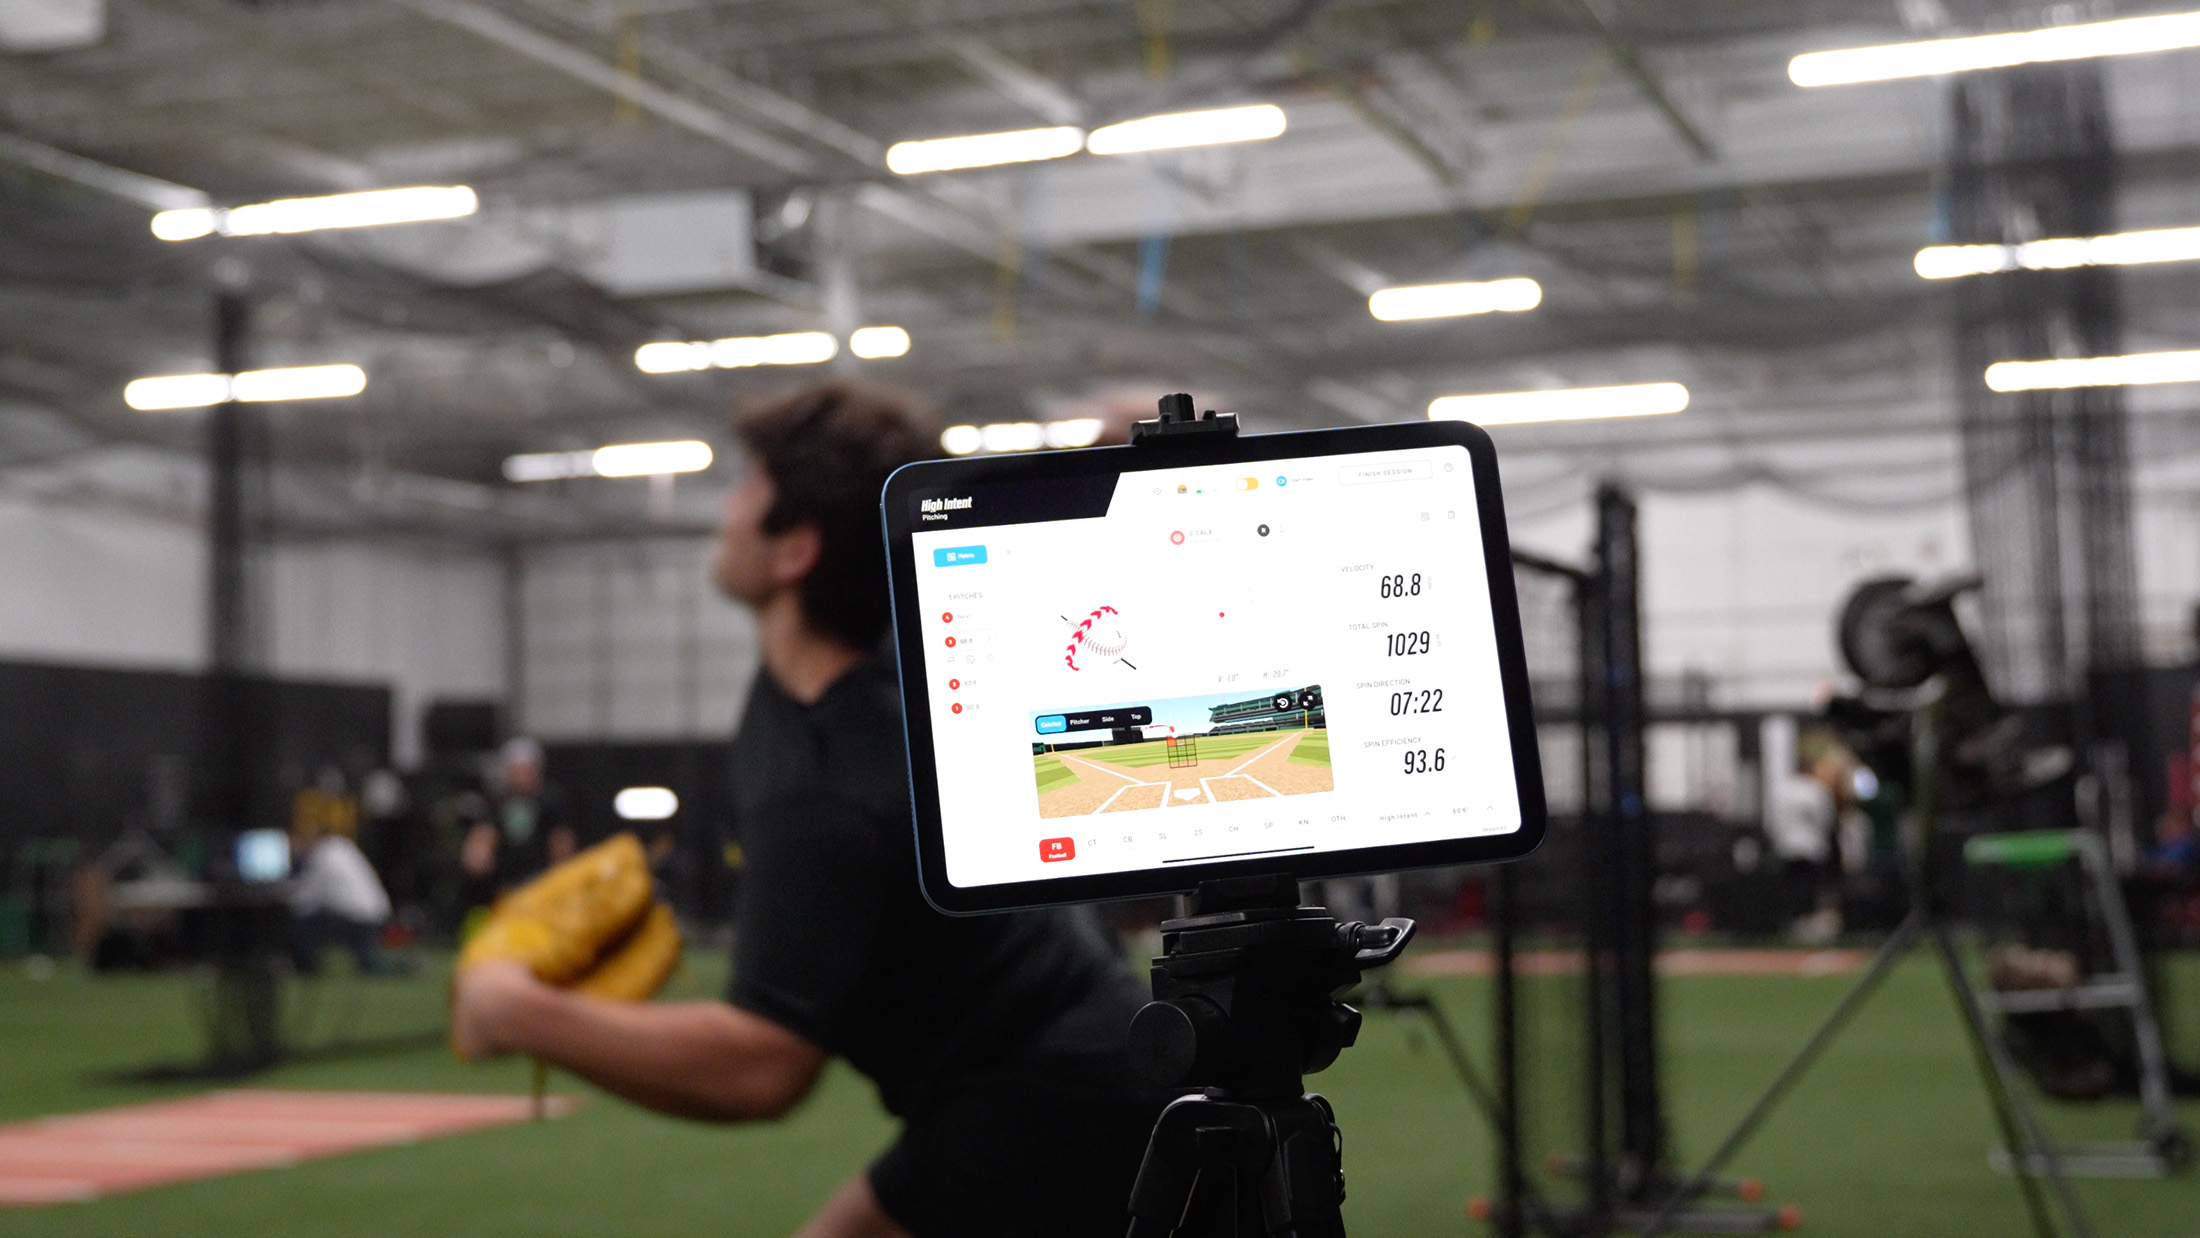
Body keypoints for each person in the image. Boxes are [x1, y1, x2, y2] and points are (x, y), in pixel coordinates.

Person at [451, 382, 1161, 1238]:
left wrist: (514, 1009)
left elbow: (761, 1067)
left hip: (1051, 1103)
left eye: (749, 486)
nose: (726, 510)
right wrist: (1096, 468)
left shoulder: (829, 791)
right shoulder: (877, 659)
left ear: (795, 552)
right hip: (1069, 1066)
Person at [458, 737, 576, 905]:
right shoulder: (496, 802)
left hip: (540, 881)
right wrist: (478, 854)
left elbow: (562, 844)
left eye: (526, 770)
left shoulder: (551, 801)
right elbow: (482, 840)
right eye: (516, 771)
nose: (522, 777)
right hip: (503, 884)